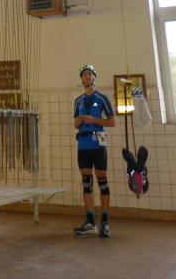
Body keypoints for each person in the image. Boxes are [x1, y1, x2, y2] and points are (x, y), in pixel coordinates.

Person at [73, 64, 115, 238]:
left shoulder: (102, 98)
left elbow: (112, 122)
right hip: (83, 145)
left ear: (94, 77)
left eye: (90, 74)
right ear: (81, 78)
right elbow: (75, 123)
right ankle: (90, 221)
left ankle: (104, 222)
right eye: (84, 74)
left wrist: (94, 120)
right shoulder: (78, 101)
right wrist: (80, 120)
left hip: (98, 144)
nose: (87, 77)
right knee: (86, 183)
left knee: (102, 181)